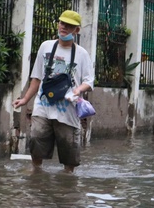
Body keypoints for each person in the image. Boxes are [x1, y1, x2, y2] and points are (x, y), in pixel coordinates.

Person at [12, 10, 95, 172]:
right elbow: (36, 78)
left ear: (76, 30)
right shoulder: (46, 46)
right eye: (62, 23)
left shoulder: (82, 54)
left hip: (68, 110)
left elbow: (89, 82)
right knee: (36, 140)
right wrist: (24, 100)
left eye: (69, 25)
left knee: (69, 154)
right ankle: (37, 174)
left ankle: (67, 182)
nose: (63, 27)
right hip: (43, 105)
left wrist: (78, 90)